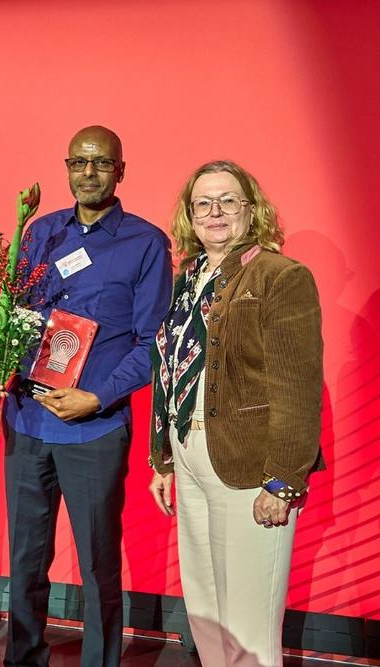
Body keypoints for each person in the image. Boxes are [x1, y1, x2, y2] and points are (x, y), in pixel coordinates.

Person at [0, 125, 172, 666]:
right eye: (78, 163)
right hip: (28, 421)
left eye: (101, 163)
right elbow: (18, 319)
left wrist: (98, 397)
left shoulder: (146, 243)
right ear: (67, 168)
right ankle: (22, 658)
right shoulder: (39, 233)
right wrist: (1, 371)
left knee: (96, 564)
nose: (89, 173)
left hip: (94, 428)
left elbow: (152, 343)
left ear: (120, 171)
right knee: (26, 559)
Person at [147, 160, 323, 666]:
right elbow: (169, 369)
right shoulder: (187, 280)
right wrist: (163, 459)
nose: (215, 212)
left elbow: (297, 388)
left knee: (248, 628)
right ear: (190, 215)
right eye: (203, 203)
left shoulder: (280, 276)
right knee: (207, 615)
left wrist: (284, 480)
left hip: (248, 463)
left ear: (252, 210)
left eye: (228, 201)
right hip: (190, 453)